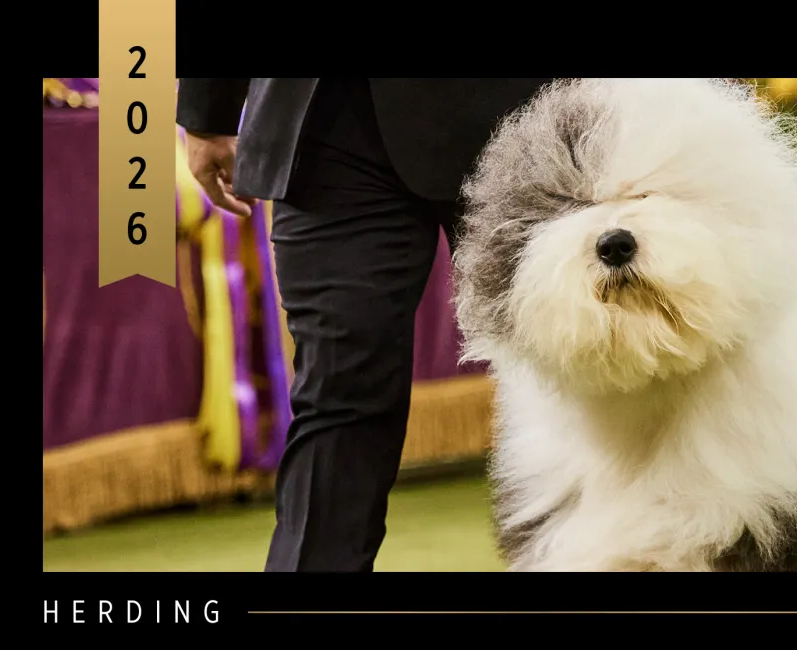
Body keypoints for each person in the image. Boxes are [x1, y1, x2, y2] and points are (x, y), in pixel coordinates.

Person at [177, 78, 553, 572]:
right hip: (329, 121)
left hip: (531, 117)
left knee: (584, 370)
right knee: (338, 391)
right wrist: (209, 107)